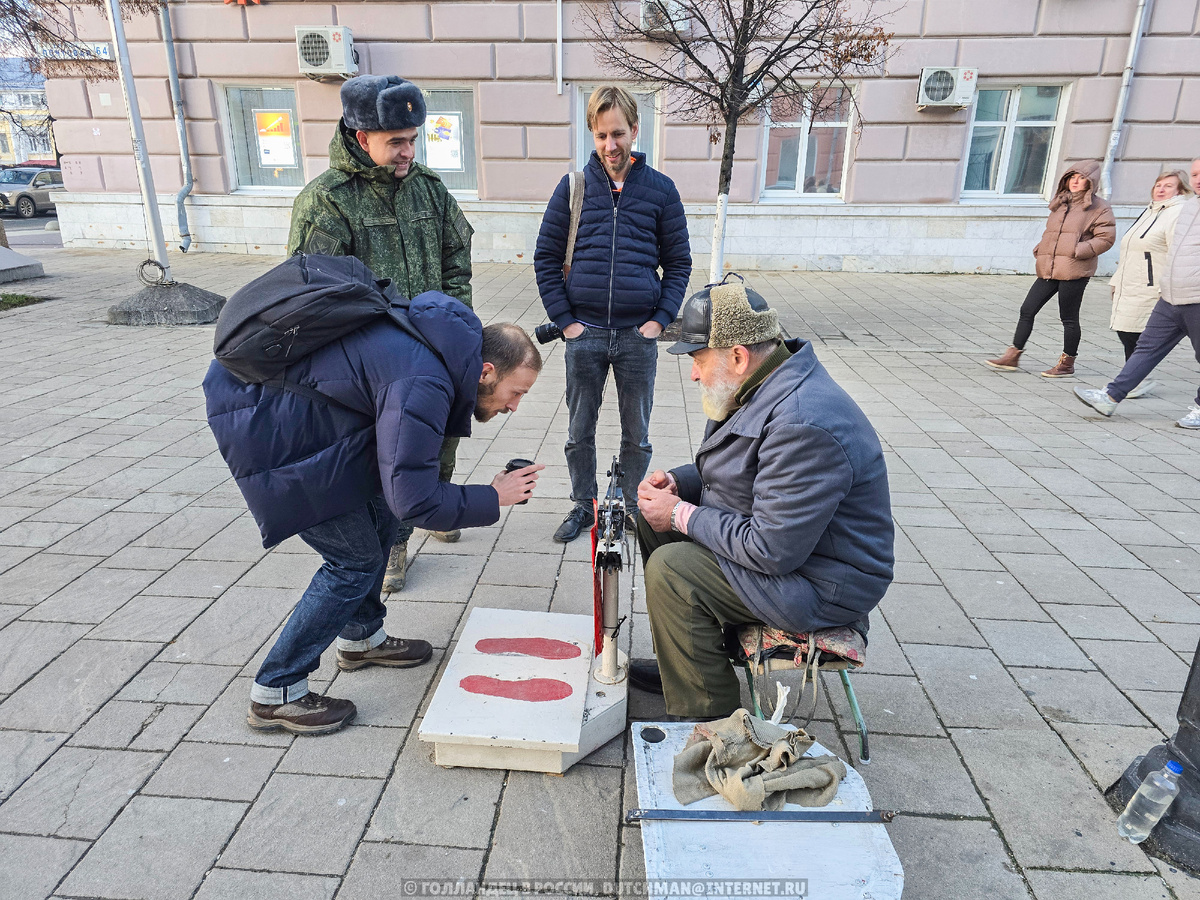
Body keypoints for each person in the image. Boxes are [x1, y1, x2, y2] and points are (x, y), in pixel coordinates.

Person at [204, 285, 544, 735]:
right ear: (485, 371)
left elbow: (402, 490)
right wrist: (493, 496)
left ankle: (361, 637)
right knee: (353, 561)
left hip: (305, 415)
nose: (514, 407)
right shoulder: (425, 381)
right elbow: (417, 500)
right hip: (271, 429)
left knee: (384, 512)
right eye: (516, 392)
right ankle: (276, 691)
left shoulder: (441, 351)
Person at [630, 277, 894, 719]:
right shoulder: (763, 380)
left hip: (822, 582)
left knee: (673, 570)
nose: (693, 373)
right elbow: (746, 470)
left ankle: (713, 718)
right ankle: (684, 663)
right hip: (795, 557)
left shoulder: (802, 422)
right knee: (650, 520)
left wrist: (680, 514)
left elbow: (770, 550)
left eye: (698, 359)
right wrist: (678, 484)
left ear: (737, 356)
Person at [288, 74, 475, 592]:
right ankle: (394, 541)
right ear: (361, 136)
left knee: (440, 439)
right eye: (396, 142)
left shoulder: (429, 189)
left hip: (434, 350)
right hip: (372, 371)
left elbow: (456, 261)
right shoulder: (327, 202)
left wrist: (456, 330)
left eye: (413, 139)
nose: (408, 152)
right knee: (390, 456)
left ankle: (437, 505)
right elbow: (312, 298)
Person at [534, 85, 691, 544]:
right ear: (592, 134)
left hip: (637, 337)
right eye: (601, 135)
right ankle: (584, 505)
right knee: (578, 430)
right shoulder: (573, 188)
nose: (610, 145)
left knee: (636, 435)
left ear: (635, 130)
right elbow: (545, 258)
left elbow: (679, 263)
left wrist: (659, 321)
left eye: (618, 133)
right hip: (583, 334)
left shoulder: (661, 191)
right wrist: (566, 321)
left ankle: (625, 507)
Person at [1075, 157, 1200, 429]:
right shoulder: (1191, 207)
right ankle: (1111, 396)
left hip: (1196, 297)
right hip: (1171, 295)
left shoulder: (1180, 208)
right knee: (1145, 348)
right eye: (1195, 174)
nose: (1198, 179)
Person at [985, 159, 1116, 377]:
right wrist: (1042, 247)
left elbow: (1106, 238)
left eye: (1081, 178)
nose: (1075, 181)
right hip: (1050, 267)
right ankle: (1013, 355)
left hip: (1074, 270)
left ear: (1090, 182)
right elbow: (1053, 233)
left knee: (1068, 318)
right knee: (1027, 309)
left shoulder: (1099, 207)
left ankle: (1067, 363)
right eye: (1072, 177)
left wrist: (1077, 250)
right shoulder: (1060, 202)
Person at [1106, 169, 1191, 398]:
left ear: (1180, 190)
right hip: (1131, 282)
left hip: (1153, 286)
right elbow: (1130, 249)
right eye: (1158, 185)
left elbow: (1177, 252)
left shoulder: (1177, 213)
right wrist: (1116, 280)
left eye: (1168, 186)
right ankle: (1134, 378)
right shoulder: (1151, 210)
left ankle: (1133, 380)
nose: (1161, 189)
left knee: (1138, 334)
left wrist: (1166, 287)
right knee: (1126, 330)